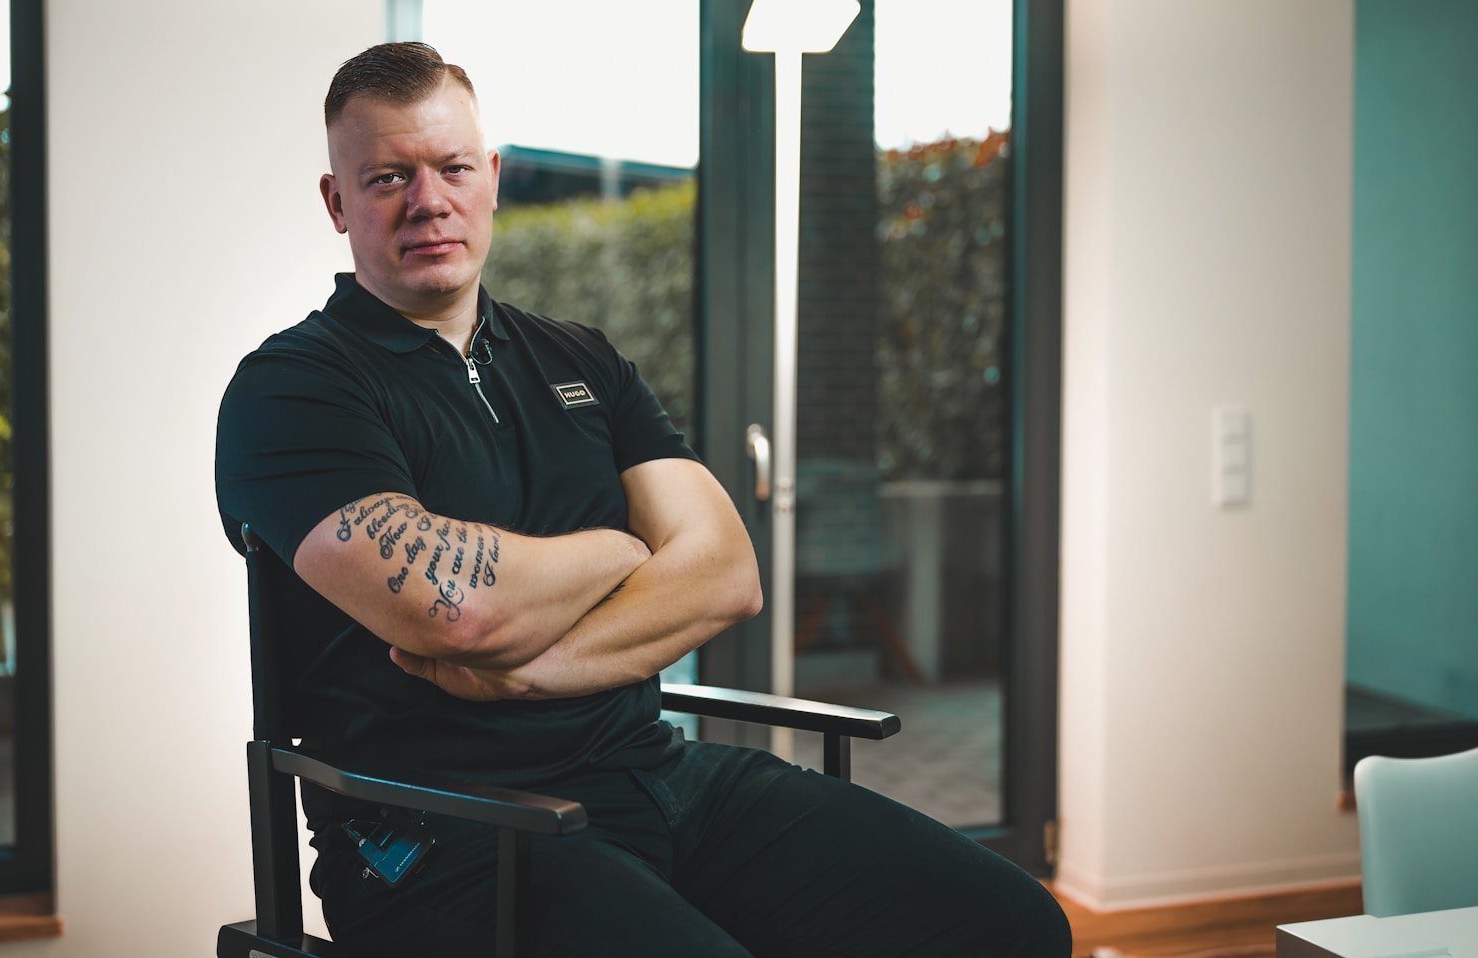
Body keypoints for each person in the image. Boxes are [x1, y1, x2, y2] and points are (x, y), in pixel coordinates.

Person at [215, 41, 1071, 958]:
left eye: (453, 167)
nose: (429, 201)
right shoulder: (293, 388)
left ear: (492, 177)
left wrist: (536, 666)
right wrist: (622, 552)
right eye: (388, 177)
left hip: (651, 770)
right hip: (433, 832)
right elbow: (457, 615)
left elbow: (728, 574)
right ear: (338, 202)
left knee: (1013, 926)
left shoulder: (580, 359)